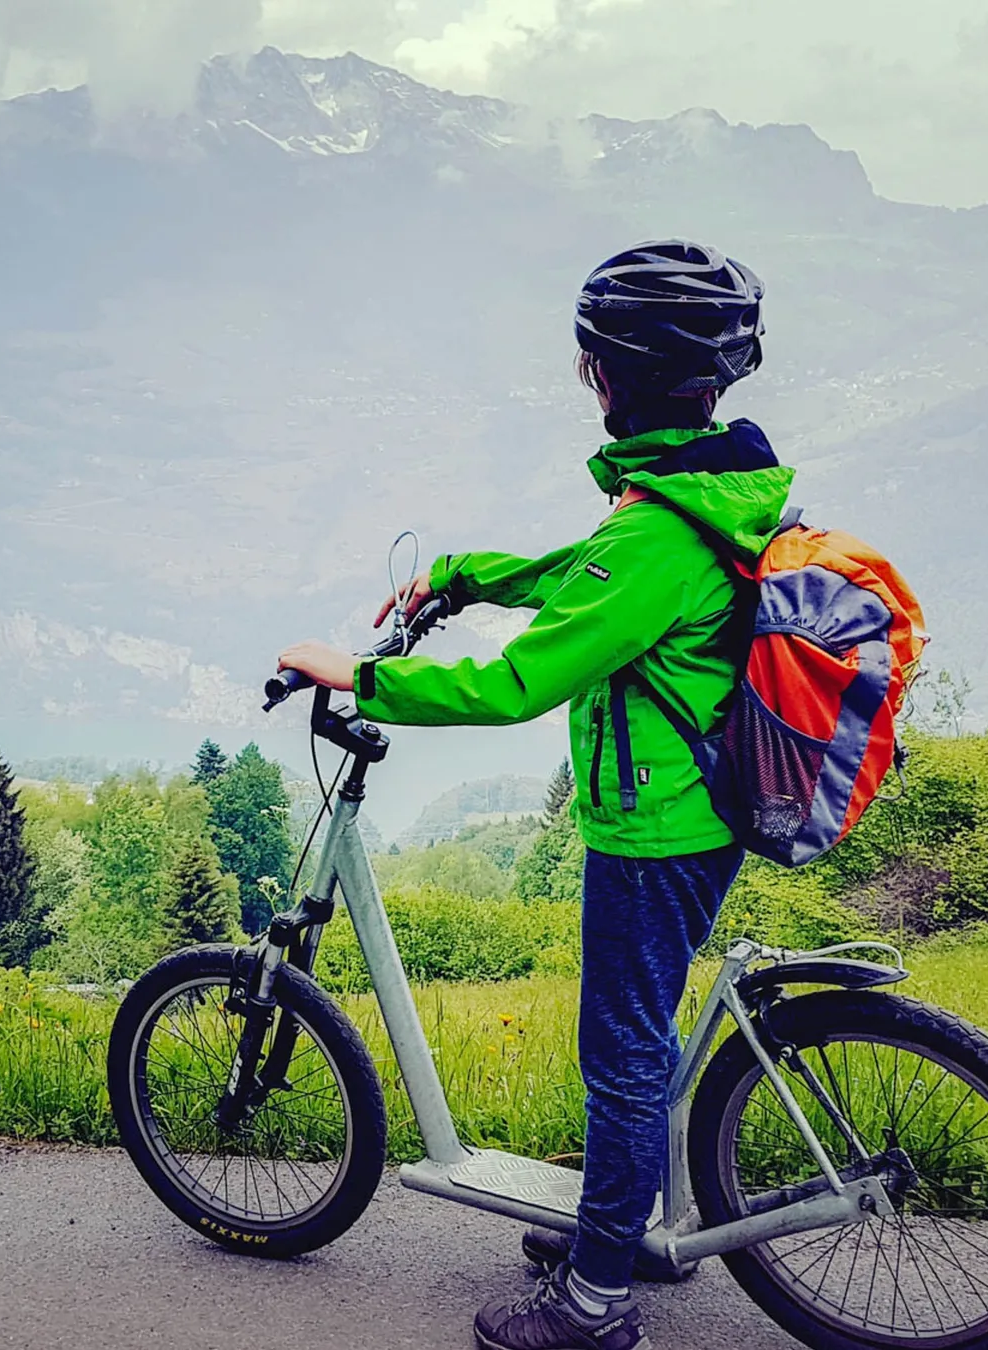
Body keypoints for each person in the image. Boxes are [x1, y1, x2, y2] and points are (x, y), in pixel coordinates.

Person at [278, 239, 794, 1350]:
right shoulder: (699, 492)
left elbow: (519, 682)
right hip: (696, 812)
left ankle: (597, 1301)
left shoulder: (657, 529)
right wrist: (468, 575)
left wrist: (357, 674)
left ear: (610, 375)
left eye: (588, 358)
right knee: (638, 1039)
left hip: (654, 831)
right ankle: (623, 1224)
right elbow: (585, 580)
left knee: (622, 1056)